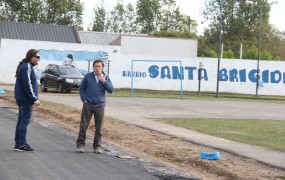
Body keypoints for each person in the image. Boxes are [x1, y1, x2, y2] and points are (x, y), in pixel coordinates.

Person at [76, 59, 114, 154]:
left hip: (100, 105)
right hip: (88, 104)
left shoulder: (105, 77)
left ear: (102, 67)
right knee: (83, 126)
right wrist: (83, 98)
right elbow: (81, 88)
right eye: (95, 66)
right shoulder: (88, 76)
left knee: (99, 128)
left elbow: (111, 90)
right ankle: (80, 145)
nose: (97, 68)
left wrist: (104, 81)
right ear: (93, 67)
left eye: (99, 66)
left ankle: (97, 146)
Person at [14, 49, 41, 152]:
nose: (39, 59)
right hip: (26, 100)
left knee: (21, 121)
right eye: (37, 57)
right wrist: (34, 98)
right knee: (24, 121)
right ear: (32, 57)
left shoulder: (24, 66)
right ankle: (22, 144)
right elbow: (27, 85)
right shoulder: (27, 67)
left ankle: (18, 144)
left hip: (22, 99)